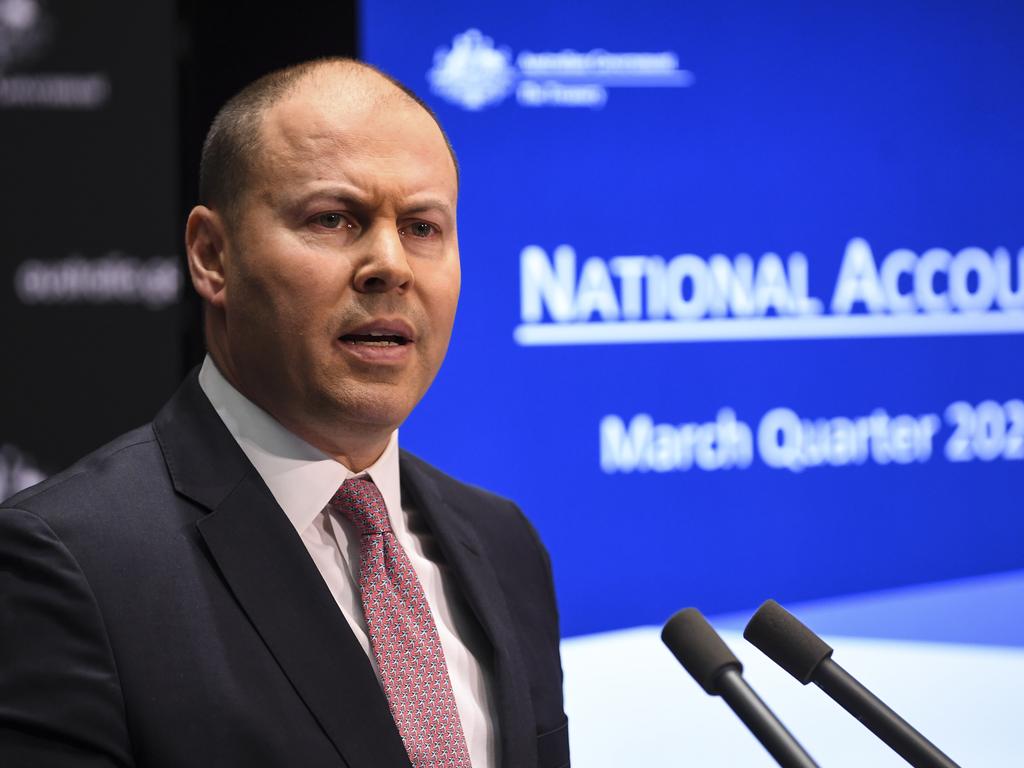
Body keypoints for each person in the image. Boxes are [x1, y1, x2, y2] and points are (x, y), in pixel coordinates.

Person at [0, 58, 569, 768]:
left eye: (423, 227)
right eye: (334, 219)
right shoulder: (70, 564)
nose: (390, 265)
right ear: (212, 256)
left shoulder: (505, 544)